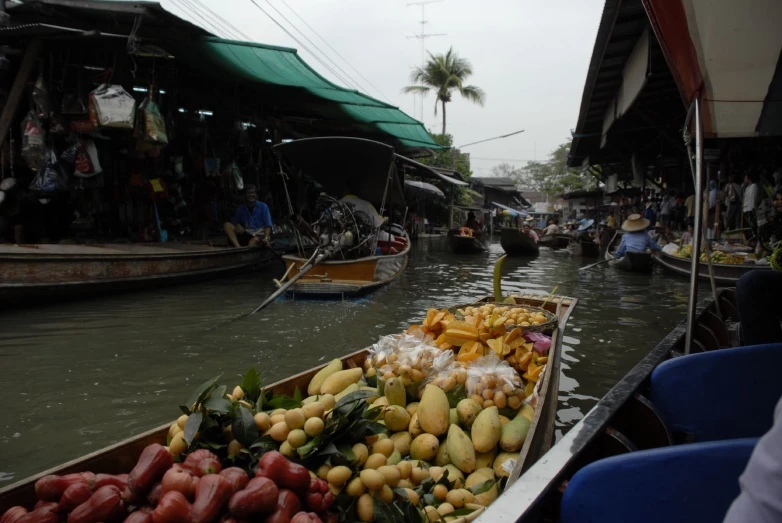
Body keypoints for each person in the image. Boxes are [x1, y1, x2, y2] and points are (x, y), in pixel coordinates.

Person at [743, 171, 761, 242]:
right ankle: (750, 241)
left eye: (745, 177)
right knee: (748, 227)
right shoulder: (748, 187)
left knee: (752, 226)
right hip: (746, 209)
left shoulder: (754, 186)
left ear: (748, 178)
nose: (744, 179)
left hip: (751, 209)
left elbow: (752, 199)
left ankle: (754, 242)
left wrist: (752, 210)